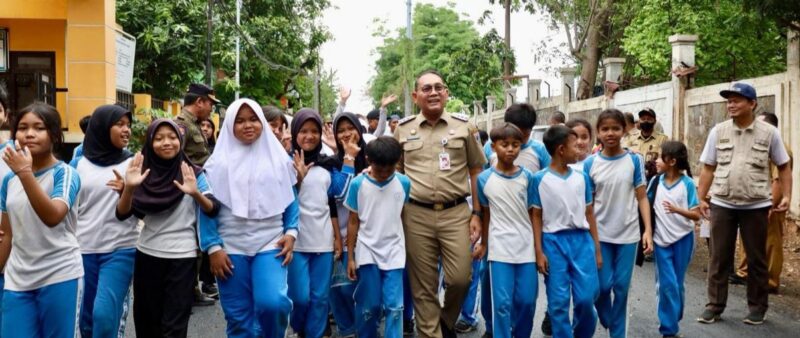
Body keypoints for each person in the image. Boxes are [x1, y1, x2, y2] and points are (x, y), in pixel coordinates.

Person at [393, 69, 487, 338]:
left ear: (446, 93)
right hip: (415, 215)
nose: (433, 92)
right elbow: (395, 174)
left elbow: (476, 171)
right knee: (423, 287)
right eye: (426, 88)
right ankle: (431, 332)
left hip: (456, 213)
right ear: (415, 95)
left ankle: (445, 322)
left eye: (438, 87)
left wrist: (477, 213)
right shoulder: (403, 129)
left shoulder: (464, 127)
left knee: (460, 278)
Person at [199, 99, 299, 338]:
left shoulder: (280, 160)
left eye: (254, 119)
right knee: (238, 317)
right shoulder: (215, 165)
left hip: (270, 242)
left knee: (272, 304)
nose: (248, 125)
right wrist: (213, 247)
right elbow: (207, 207)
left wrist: (291, 232)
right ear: (229, 126)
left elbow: (291, 198)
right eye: (240, 121)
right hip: (230, 246)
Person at [696, 83, 792, 325]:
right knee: (719, 257)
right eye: (729, 100)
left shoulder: (770, 133)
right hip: (722, 202)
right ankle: (714, 306)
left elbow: (783, 166)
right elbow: (708, 167)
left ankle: (757, 308)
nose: (731, 104)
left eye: (737, 100)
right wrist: (700, 197)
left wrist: (788, 196)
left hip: (756, 204)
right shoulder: (718, 131)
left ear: (752, 104)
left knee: (757, 258)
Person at [116, 119, 220, 337]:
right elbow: (124, 213)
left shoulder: (193, 172)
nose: (167, 143)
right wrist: (128, 189)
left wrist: (195, 193)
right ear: (150, 141)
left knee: (174, 326)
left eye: (172, 137)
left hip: (182, 258)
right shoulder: (141, 171)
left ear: (181, 140)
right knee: (147, 323)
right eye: (159, 138)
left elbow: (213, 208)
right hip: (147, 254)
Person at [0, 102, 83, 337]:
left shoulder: (65, 173)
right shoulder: (9, 181)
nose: (29, 134)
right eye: (23, 127)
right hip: (17, 279)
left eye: (39, 128)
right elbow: (7, 234)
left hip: (60, 274)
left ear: (54, 135)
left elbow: (53, 216)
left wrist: (25, 173)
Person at [481, 103, 550, 336]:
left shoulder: (529, 177)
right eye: (505, 145)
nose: (510, 149)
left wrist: (539, 250)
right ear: (494, 147)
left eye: (515, 145)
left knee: (527, 301)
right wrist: (483, 243)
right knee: (500, 304)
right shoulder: (483, 179)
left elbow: (535, 213)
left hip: (526, 247)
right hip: (499, 248)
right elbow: (484, 212)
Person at [583, 109, 653, 338]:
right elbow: (588, 204)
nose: (610, 133)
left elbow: (642, 196)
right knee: (602, 288)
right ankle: (608, 319)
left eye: (615, 128)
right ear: (598, 133)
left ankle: (617, 333)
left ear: (624, 130)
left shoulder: (634, 160)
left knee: (622, 288)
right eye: (605, 129)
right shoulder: (590, 164)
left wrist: (648, 232)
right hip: (600, 235)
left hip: (628, 236)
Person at [289, 108, 358, 338]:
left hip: (322, 242)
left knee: (320, 298)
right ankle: (299, 328)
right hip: (295, 242)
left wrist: (347, 156)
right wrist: (296, 180)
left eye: (314, 131)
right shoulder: (283, 163)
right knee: (300, 297)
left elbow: (338, 194)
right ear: (295, 133)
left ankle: (315, 334)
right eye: (304, 131)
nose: (309, 136)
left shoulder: (327, 164)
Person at [71, 104, 138, 338]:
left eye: (128, 125)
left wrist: (128, 191)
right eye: (119, 124)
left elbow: (143, 208)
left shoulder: (133, 163)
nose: (126, 130)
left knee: (104, 318)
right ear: (101, 127)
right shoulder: (78, 164)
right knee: (86, 320)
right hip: (82, 250)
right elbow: (64, 206)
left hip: (120, 249)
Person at [533, 124, 602, 338]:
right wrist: (538, 252)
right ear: (561, 149)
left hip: (582, 242)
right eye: (575, 146)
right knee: (558, 302)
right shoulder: (539, 179)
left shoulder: (581, 177)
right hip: (553, 243)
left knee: (586, 298)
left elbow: (589, 213)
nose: (580, 149)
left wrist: (597, 248)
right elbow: (535, 216)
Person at [345, 136, 411, 338]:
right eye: (379, 169)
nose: (383, 174)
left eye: (389, 170)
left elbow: (401, 214)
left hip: (394, 250)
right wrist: (351, 257)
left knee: (394, 306)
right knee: (370, 304)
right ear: (368, 160)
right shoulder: (358, 184)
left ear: (397, 163)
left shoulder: (404, 182)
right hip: (367, 251)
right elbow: (353, 221)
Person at [733, 112, 793, 293]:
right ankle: (745, 273)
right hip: (752, 199)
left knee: (771, 241)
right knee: (746, 237)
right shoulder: (759, 144)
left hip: (770, 202)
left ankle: (771, 281)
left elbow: (778, 180)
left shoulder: (781, 147)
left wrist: (771, 205)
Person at [647, 141, 701, 338]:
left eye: (661, 157)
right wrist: (647, 235)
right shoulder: (655, 182)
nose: (657, 161)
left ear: (672, 161)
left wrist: (677, 209)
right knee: (667, 284)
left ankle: (673, 316)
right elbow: (645, 207)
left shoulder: (687, 184)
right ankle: (669, 330)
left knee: (677, 284)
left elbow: (696, 216)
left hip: (683, 240)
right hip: (661, 242)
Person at [329, 112, 369, 338]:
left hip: (370, 235)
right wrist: (349, 159)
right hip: (340, 234)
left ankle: (365, 329)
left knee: (363, 288)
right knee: (341, 288)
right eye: (340, 130)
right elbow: (339, 195)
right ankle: (346, 330)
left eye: (349, 128)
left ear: (358, 129)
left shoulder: (373, 158)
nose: (345, 134)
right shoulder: (332, 163)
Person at [175, 83, 220, 167]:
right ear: (199, 102)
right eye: (210, 105)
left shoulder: (195, 123)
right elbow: (174, 160)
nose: (211, 110)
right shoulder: (182, 124)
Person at [622, 108, 669, 179]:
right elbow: (623, 157)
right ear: (639, 121)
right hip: (633, 178)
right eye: (643, 119)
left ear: (654, 121)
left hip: (653, 179)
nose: (646, 121)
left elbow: (665, 162)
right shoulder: (630, 138)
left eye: (649, 119)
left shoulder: (663, 139)